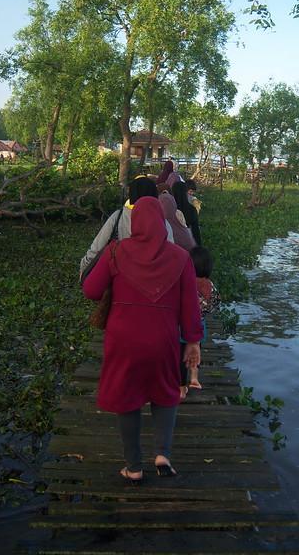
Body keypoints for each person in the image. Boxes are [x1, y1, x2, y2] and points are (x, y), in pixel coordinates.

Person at [82, 197, 203, 482]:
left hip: (123, 339)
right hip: (163, 340)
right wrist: (194, 342)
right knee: (166, 393)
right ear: (162, 222)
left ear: (135, 222)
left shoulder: (116, 251)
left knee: (128, 399)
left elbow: (91, 290)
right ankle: (162, 454)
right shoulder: (181, 258)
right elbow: (190, 306)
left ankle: (134, 467)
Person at [79, 176, 174, 277]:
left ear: (131, 194)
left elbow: (96, 249)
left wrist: (84, 270)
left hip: (121, 281)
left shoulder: (118, 217)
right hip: (155, 283)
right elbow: (170, 256)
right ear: (155, 196)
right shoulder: (163, 223)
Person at [179, 246, 220, 395]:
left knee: (181, 357)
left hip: (182, 326)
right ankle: (194, 378)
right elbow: (215, 304)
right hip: (200, 326)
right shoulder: (210, 286)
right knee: (196, 354)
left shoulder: (185, 283)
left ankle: (181, 387)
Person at [172, 181, 202, 246]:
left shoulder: (169, 210)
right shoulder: (191, 210)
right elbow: (196, 233)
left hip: (172, 244)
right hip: (188, 243)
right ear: (185, 192)